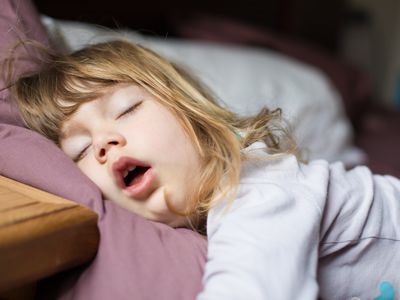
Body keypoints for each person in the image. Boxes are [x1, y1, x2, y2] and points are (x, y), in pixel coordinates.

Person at [10, 39, 400, 300]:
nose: (103, 143)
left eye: (126, 110)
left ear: (191, 117)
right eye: (80, 150)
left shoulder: (257, 189)